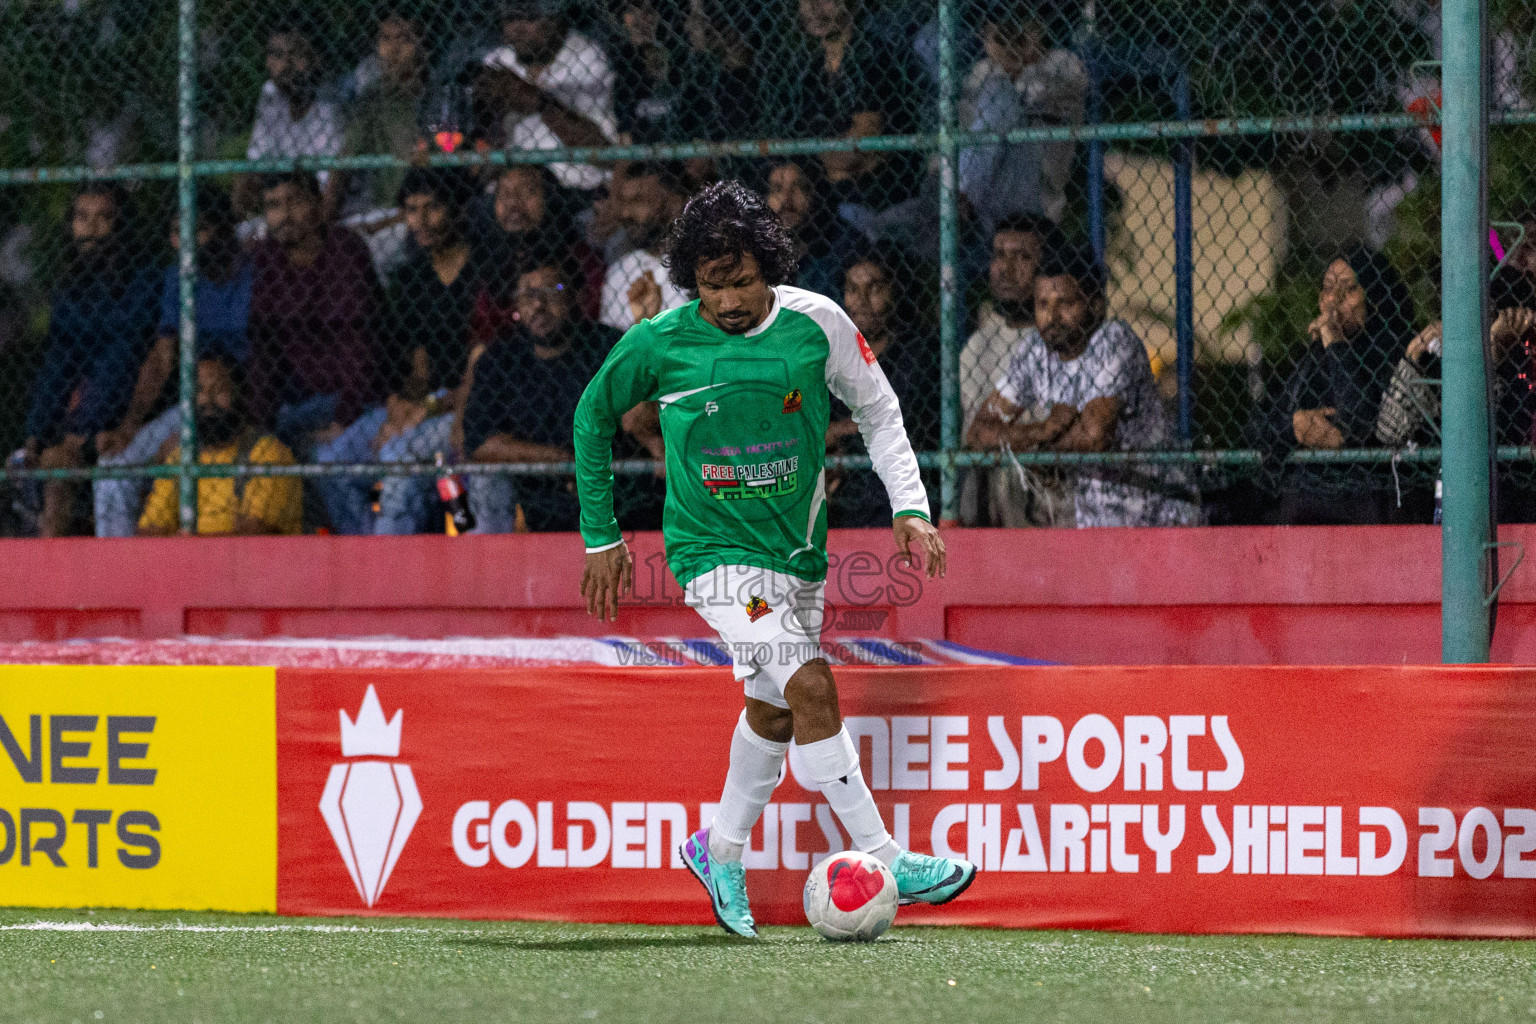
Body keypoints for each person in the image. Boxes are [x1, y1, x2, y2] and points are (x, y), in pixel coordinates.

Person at [574, 181, 973, 939]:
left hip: (795, 553)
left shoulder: (817, 324)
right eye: (712, 284)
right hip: (709, 553)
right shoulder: (660, 341)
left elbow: (881, 412)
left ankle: (718, 849)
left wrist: (911, 507)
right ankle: (887, 856)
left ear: (772, 268)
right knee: (812, 682)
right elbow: (592, 416)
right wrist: (603, 536)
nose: (727, 299)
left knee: (775, 709)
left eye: (742, 280)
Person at [967, 244, 1201, 527]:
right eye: (1042, 304)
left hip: (1158, 514)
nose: (1051, 317)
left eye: (1065, 303)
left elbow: (1093, 436)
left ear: (1095, 305)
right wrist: (1043, 429)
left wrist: (1033, 453)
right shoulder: (1034, 351)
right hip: (1094, 522)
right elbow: (979, 433)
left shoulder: (1113, 341)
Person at [315, 168, 485, 535]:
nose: (420, 221)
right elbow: (414, 368)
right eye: (411, 209)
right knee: (329, 463)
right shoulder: (411, 277)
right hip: (424, 404)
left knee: (397, 457)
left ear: (457, 210)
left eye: (432, 208)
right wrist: (397, 409)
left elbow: (483, 371)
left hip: (465, 405)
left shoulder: (485, 271)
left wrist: (424, 411)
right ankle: (371, 556)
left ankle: (386, 571)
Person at [94, 187, 255, 537]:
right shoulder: (178, 279)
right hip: (196, 400)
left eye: (199, 230)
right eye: (178, 232)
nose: (188, 242)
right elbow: (163, 356)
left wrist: (188, 438)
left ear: (222, 229)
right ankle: (119, 583)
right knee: (113, 470)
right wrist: (130, 423)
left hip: (248, 398)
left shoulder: (253, 274)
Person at [17, 183, 158, 537]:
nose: (91, 229)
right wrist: (35, 432)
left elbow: (123, 359)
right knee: (45, 461)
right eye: (81, 218)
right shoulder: (69, 289)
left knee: (72, 462)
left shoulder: (143, 281)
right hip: (86, 416)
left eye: (104, 217)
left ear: (121, 224)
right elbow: (58, 364)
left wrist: (82, 430)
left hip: (137, 413)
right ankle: (48, 570)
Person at [1260, 249, 1414, 525]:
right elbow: (1260, 423)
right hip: (1307, 508)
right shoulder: (1312, 357)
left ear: (1375, 297)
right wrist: (1294, 426)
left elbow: (1359, 420)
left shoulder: (1395, 352)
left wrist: (1335, 342)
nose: (1335, 300)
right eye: (1329, 289)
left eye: (1350, 289)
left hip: (1371, 507)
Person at [464, 256, 618, 532]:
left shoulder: (608, 347)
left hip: (605, 477)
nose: (538, 305)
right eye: (526, 295)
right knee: (486, 480)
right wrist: (561, 461)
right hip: (532, 484)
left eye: (550, 291)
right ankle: (493, 570)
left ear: (574, 297)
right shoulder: (499, 359)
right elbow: (480, 442)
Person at [247, 172, 383, 458]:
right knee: (258, 452)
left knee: (327, 458)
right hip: (300, 400)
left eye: (294, 202)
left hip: (361, 397)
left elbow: (359, 343)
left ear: (318, 205)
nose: (285, 215)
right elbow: (264, 350)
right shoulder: (266, 258)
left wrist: (345, 417)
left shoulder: (345, 249)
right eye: (273, 206)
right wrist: (257, 425)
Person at [763, 0, 926, 235]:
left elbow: (858, 149)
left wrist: (815, 152)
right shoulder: (810, 69)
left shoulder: (869, 55)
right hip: (833, 199)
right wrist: (831, 157)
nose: (814, 8)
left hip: (880, 198)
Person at [958, 213, 1070, 527]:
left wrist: (1006, 438)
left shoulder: (1063, 342)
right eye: (999, 256)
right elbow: (974, 437)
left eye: (1022, 257)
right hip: (989, 511)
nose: (1006, 269)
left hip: (1049, 508)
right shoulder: (976, 346)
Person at [826, 244, 940, 527]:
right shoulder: (834, 353)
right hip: (843, 480)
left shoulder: (917, 351)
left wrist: (835, 431)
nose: (862, 300)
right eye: (853, 289)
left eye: (874, 288)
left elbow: (896, 420)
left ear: (895, 292)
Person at [325, 6, 441, 277]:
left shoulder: (439, 99)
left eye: (404, 39)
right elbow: (342, 167)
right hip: (382, 211)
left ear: (425, 47)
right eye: (385, 39)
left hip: (422, 214)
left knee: (355, 255)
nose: (392, 50)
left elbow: (449, 183)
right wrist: (321, 225)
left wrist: (391, 220)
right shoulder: (374, 98)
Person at [137, 355, 302, 536]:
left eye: (219, 390)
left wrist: (189, 545)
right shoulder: (180, 456)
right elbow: (150, 530)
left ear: (239, 394)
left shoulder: (266, 451)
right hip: (186, 558)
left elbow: (255, 534)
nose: (207, 400)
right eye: (199, 390)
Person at [958, 0, 1086, 232]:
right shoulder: (982, 71)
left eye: (1017, 36)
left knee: (999, 94)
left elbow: (1027, 102)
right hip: (987, 193)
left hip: (1036, 191)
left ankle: (962, 195)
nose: (1009, 46)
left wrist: (1014, 66)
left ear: (1038, 28)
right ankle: (964, 196)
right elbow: (969, 134)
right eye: (1000, 37)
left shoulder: (1063, 64)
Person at [478, 0, 618, 192]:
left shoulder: (588, 57)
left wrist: (539, 102)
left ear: (557, 18)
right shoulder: (499, 59)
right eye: (511, 18)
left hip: (576, 191)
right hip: (513, 191)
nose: (518, 28)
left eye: (530, 18)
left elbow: (605, 153)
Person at [473, 164, 604, 336]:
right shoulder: (491, 260)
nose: (513, 202)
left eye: (527, 192)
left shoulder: (580, 257)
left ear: (549, 198)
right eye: (504, 193)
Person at [234, 17, 346, 217]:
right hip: (283, 214)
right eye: (276, 55)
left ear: (317, 58)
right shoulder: (271, 95)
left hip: (323, 218)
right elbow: (253, 175)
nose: (285, 65)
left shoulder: (330, 103)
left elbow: (330, 197)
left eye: (296, 54)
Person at [610, 0, 757, 145]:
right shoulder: (626, 79)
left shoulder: (690, 71)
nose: (639, 19)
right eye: (629, 11)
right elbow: (626, 142)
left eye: (647, 11)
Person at [599, 161, 690, 331]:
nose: (625, 213)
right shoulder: (619, 273)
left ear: (674, 200)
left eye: (637, 200)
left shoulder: (706, 264)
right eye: (624, 203)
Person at [763, 158, 856, 301]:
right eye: (777, 188)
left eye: (799, 187)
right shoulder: (757, 252)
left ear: (814, 194)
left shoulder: (841, 247)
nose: (787, 200)